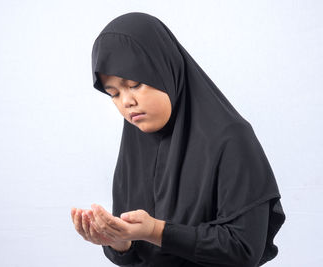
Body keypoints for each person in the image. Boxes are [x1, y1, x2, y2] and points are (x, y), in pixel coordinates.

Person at [71, 12, 286, 267]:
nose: (126, 101)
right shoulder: (134, 144)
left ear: (164, 69)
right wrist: (118, 241)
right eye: (114, 93)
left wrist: (156, 231)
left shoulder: (231, 138)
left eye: (135, 84)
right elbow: (136, 255)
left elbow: (243, 248)